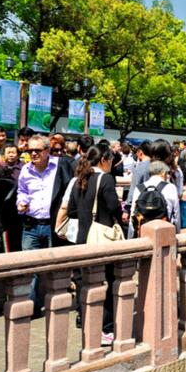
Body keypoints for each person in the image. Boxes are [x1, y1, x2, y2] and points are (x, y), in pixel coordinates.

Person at [67, 147, 122, 344]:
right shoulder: (104, 179)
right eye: (111, 159)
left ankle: (83, 319)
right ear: (104, 159)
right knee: (107, 281)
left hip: (82, 237)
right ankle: (105, 328)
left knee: (83, 283)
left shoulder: (78, 179)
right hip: (101, 238)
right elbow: (114, 206)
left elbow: (72, 210)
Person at [16, 134, 74, 316]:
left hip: (53, 225)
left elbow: (70, 191)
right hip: (31, 225)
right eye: (29, 150)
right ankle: (31, 307)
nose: (33, 154)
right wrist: (21, 202)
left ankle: (56, 305)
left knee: (56, 266)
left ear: (47, 150)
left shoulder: (60, 166)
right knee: (29, 267)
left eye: (37, 150)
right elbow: (22, 191)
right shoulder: (25, 170)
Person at [128, 160, 179, 236]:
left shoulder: (139, 188)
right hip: (164, 232)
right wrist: (177, 232)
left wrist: (132, 235)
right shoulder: (171, 187)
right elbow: (176, 214)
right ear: (163, 173)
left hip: (143, 232)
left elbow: (133, 213)